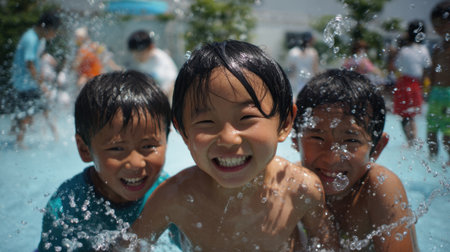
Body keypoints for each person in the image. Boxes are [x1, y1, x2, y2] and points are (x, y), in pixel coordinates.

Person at [118, 40, 338, 251]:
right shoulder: (175, 197)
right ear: (183, 131)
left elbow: (328, 246)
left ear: (285, 122)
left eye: (246, 118)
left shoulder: (301, 189)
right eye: (206, 122)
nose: (228, 138)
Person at [37, 70, 176, 251]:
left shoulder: (169, 195)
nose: (136, 163)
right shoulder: (66, 209)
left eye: (149, 146)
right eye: (117, 149)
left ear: (167, 139)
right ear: (85, 149)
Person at [292, 69, 419, 251]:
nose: (332, 158)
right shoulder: (291, 185)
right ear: (295, 139)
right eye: (317, 138)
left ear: (377, 148)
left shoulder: (378, 188)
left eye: (351, 140)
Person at [9, 12, 60, 149]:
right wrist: (41, 83)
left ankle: (57, 137)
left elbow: (36, 58)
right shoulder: (31, 39)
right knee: (27, 114)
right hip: (24, 84)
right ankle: (19, 143)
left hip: (29, 83)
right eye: (54, 31)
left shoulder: (36, 38)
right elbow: (29, 63)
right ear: (46, 28)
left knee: (43, 109)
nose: (54, 35)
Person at [393, 20, 431, 147]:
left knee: (403, 115)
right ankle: (414, 140)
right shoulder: (424, 50)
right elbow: (427, 69)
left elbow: (395, 67)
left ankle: (409, 141)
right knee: (412, 115)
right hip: (416, 85)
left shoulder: (403, 50)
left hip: (403, 83)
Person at [426, 1, 450, 165]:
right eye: (434, 24)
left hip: (449, 94)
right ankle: (432, 159)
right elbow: (433, 70)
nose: (437, 28)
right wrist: (428, 90)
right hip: (436, 93)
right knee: (431, 129)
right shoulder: (437, 47)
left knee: (448, 132)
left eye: (440, 23)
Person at [127, 30, 178, 101]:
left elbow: (172, 83)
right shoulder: (135, 62)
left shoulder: (161, 59)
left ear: (151, 47)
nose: (136, 56)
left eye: (139, 53)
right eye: (134, 53)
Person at [286, 31, 320, 98]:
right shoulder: (313, 53)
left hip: (295, 83)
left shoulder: (293, 52)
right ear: (310, 40)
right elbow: (315, 69)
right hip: (309, 83)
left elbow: (290, 69)